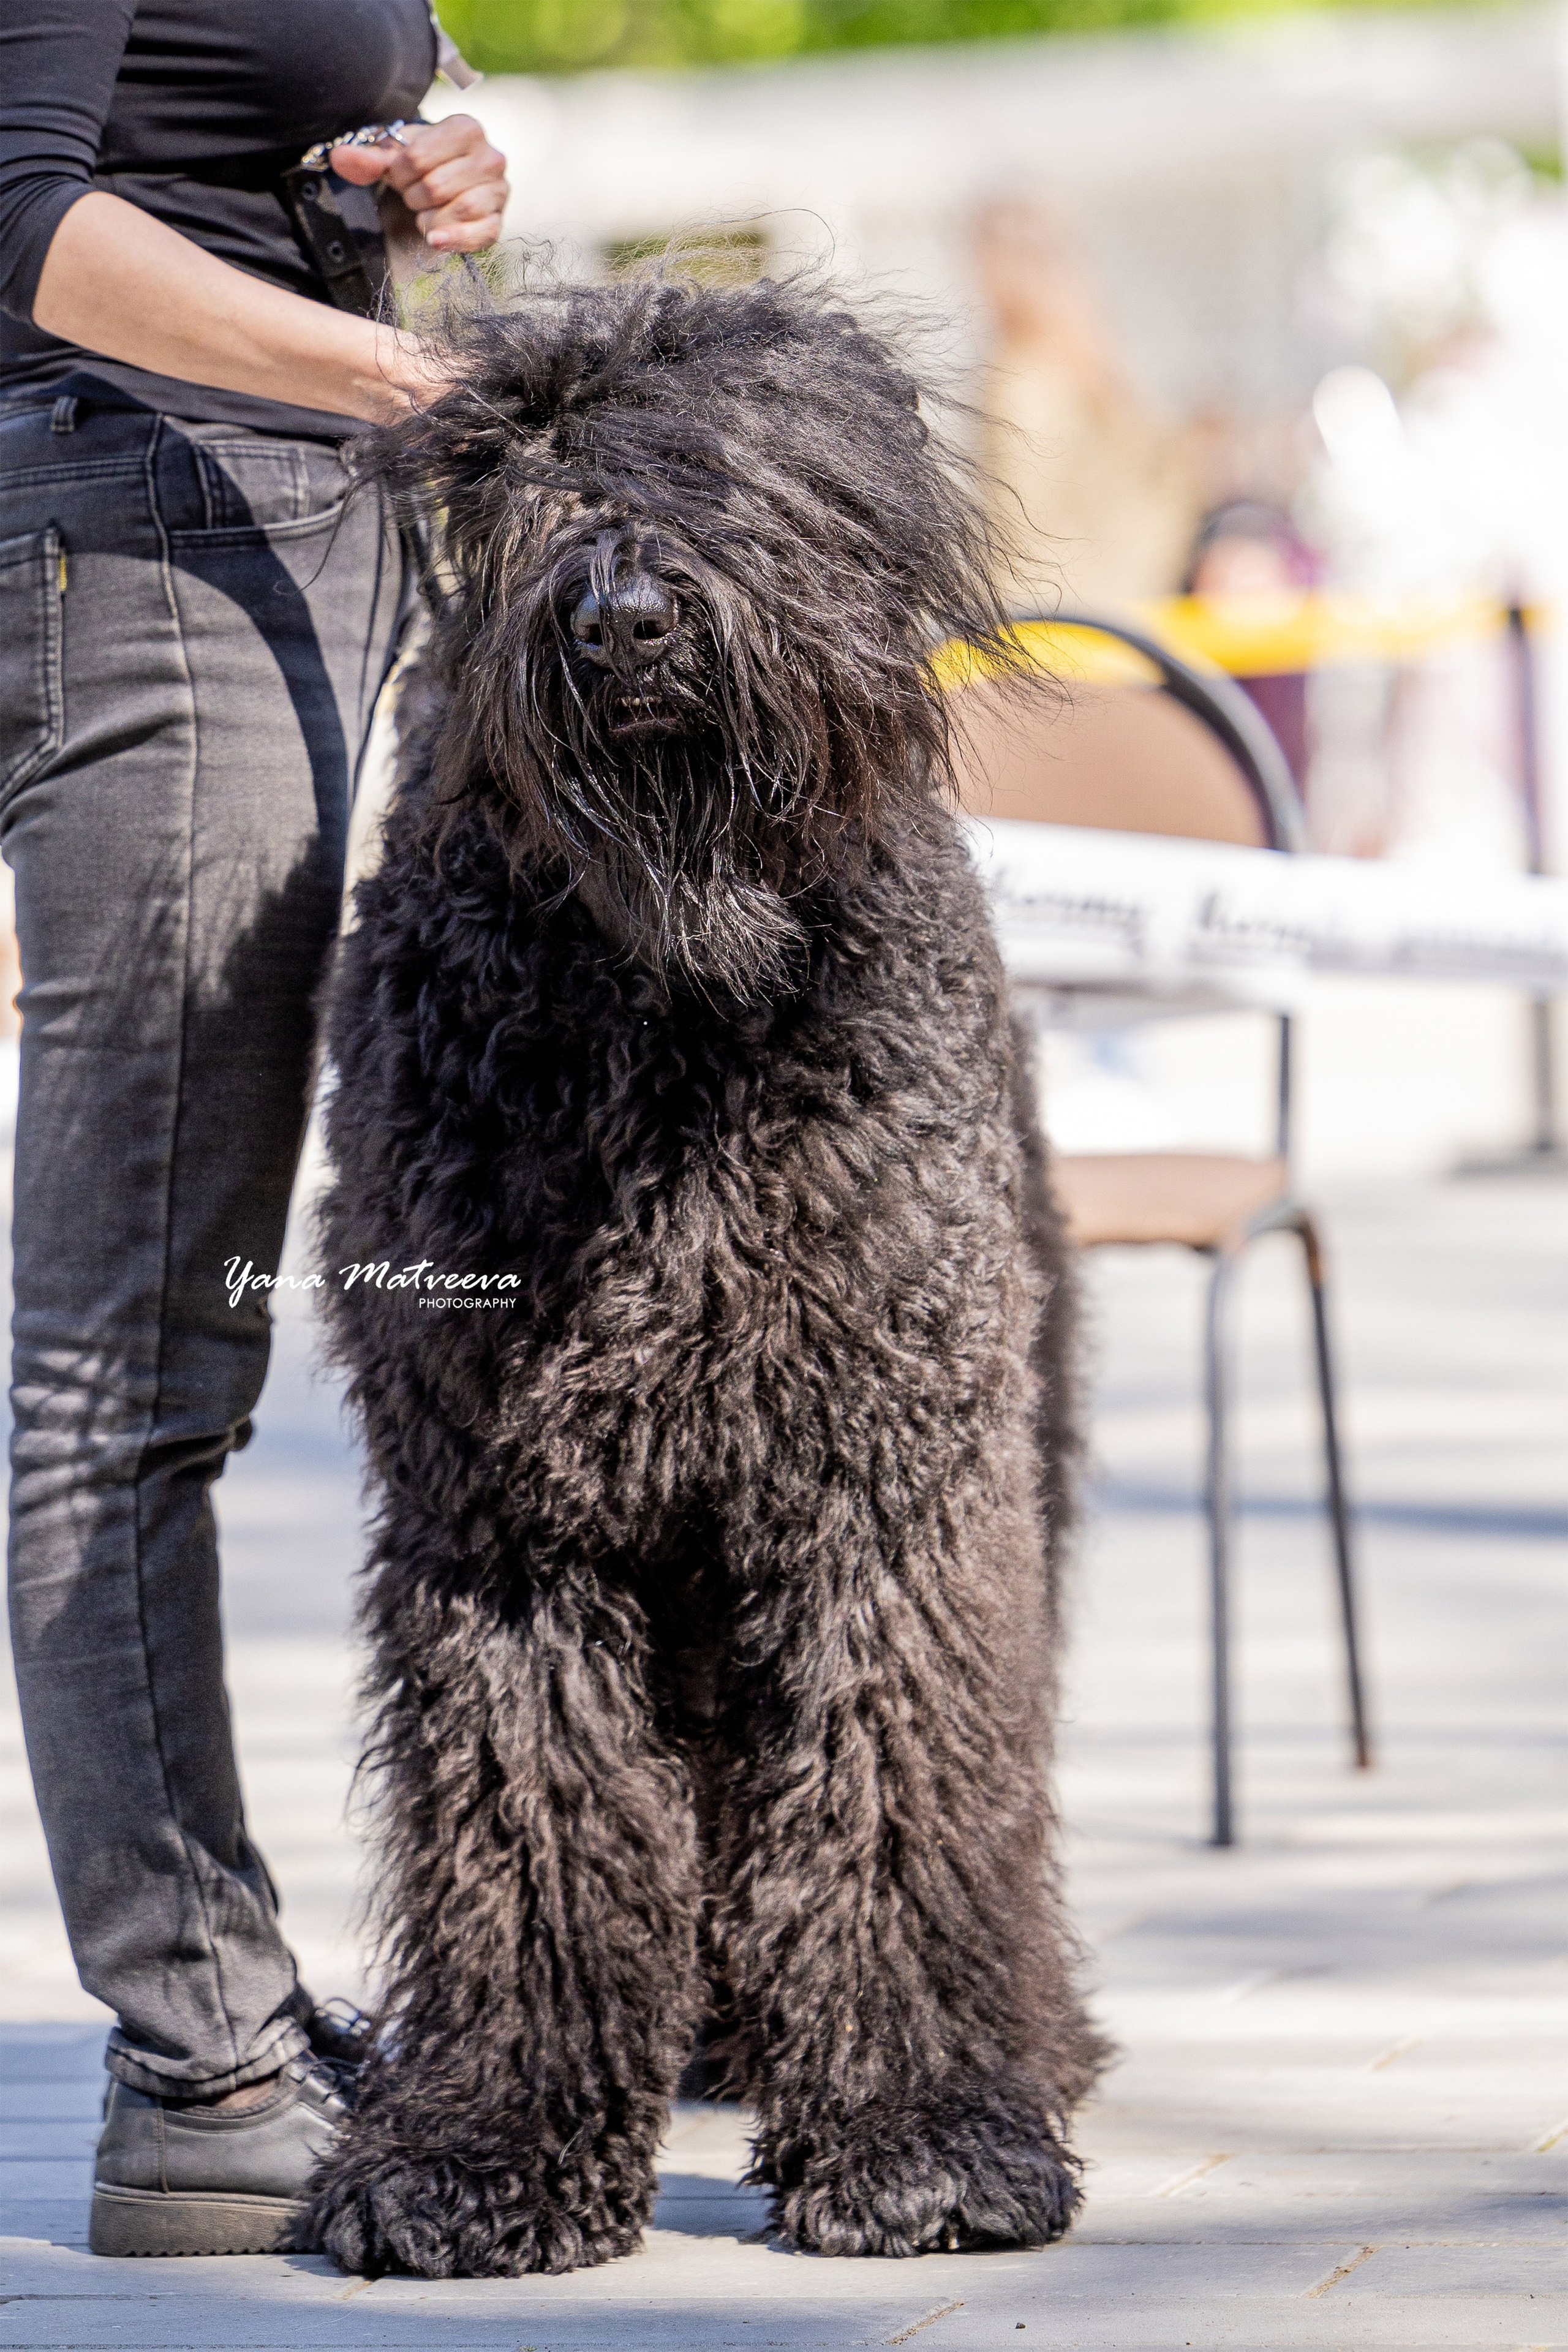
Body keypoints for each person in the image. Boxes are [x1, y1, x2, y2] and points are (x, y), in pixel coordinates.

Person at [0, 0, 508, 2256]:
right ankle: (200, 2062)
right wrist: (404, 379)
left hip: (253, 526)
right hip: (160, 538)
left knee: (159, 1345)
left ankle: (230, 2018)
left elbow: (223, 118)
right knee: (135, 1359)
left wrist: (434, 163)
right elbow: (22, 216)